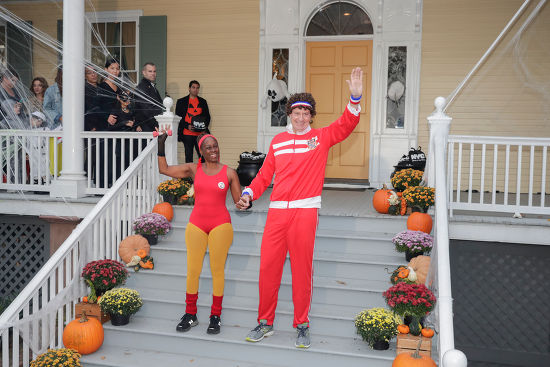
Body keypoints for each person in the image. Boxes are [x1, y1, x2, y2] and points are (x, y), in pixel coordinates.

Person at [237, 67, 364, 349]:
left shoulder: (319, 139)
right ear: (289, 114)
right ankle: (265, 322)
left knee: (301, 270)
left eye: (306, 113)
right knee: (268, 268)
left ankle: (302, 324)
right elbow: (263, 176)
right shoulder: (278, 142)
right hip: (277, 212)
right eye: (296, 112)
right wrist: (248, 194)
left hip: (305, 212)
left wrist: (354, 99)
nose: (301, 117)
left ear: (311, 116)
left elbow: (346, 125)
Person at [156, 127, 241, 335]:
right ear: (201, 151)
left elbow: (240, 202)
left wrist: (248, 199)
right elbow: (164, 169)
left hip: (221, 224)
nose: (213, 150)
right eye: (208, 147)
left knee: (216, 271)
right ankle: (190, 314)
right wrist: (160, 143)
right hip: (196, 225)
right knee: (193, 271)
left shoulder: (229, 172)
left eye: (215, 146)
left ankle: (215, 316)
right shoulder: (194, 169)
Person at [96, 59, 123, 187]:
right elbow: (95, 107)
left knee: (117, 155)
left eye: (117, 69)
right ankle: (102, 184)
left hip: (119, 126)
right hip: (105, 126)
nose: (115, 71)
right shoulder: (101, 87)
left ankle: (114, 183)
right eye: (112, 68)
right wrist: (106, 116)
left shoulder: (120, 88)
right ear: (106, 70)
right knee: (105, 155)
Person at [176, 80, 210, 163]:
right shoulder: (181, 101)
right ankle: (189, 176)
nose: (195, 90)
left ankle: (203, 174)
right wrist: (187, 126)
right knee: (188, 156)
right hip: (187, 133)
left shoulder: (203, 102)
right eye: (193, 87)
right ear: (189, 88)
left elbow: (208, 117)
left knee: (203, 156)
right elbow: (178, 118)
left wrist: (204, 127)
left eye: (197, 88)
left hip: (200, 134)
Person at [134, 62, 163, 132]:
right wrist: (156, 126)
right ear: (144, 73)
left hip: (152, 126)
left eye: (154, 71)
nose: (153, 73)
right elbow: (146, 110)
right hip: (146, 127)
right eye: (150, 71)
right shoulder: (142, 87)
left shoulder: (152, 86)